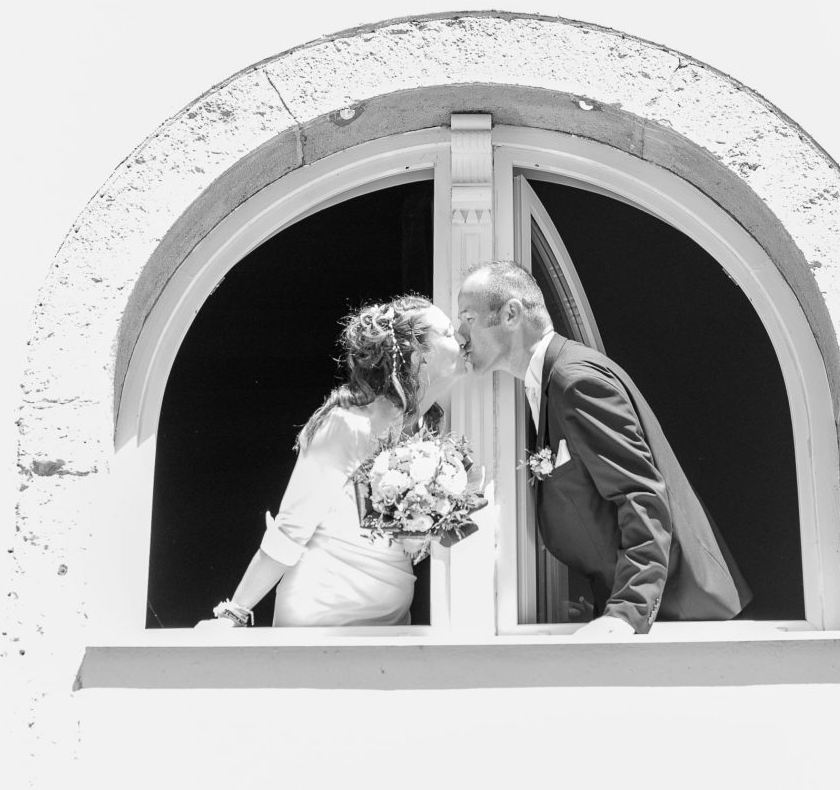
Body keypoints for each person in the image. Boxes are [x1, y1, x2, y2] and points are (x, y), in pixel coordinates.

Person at [456, 261, 752, 636]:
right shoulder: (548, 382)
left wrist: (627, 612)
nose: (460, 334)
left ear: (511, 314)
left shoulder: (574, 381)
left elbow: (641, 495)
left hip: (677, 615)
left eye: (468, 318)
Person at [205, 294, 467, 628]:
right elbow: (290, 529)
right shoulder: (348, 425)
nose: (459, 338)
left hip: (392, 621)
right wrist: (234, 613)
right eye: (446, 333)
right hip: (324, 618)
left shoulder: (429, 431)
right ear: (417, 355)